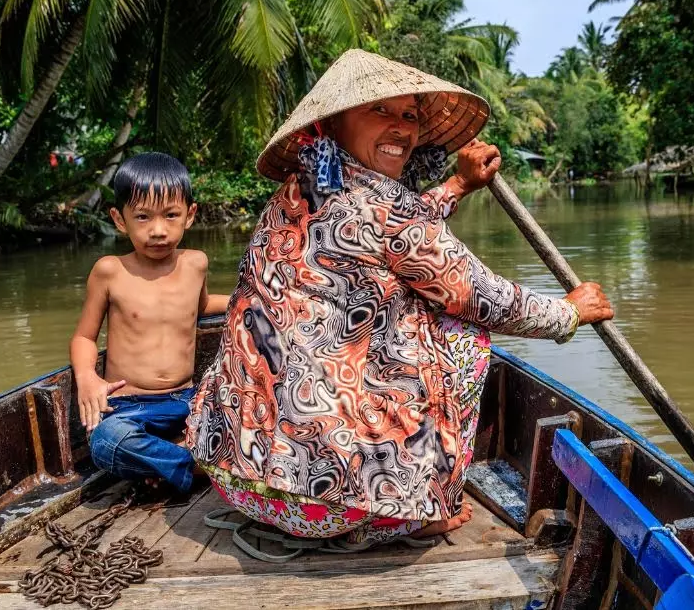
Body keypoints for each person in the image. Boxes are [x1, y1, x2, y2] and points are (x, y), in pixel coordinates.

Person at [187, 50, 613, 551]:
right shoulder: (387, 208)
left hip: (238, 477)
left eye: (409, 115)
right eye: (380, 111)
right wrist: (569, 312)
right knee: (462, 333)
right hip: (331, 506)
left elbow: (395, 229)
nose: (401, 129)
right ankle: (425, 505)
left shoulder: (302, 186)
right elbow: (482, 296)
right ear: (332, 124)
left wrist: (456, 186)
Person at [70, 152, 230, 493]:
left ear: (190, 215)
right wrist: (86, 377)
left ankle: (167, 462)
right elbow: (85, 337)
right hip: (128, 406)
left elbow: (199, 307)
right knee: (105, 442)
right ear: (119, 219)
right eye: (142, 217)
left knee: (242, 409)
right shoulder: (110, 271)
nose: (158, 231)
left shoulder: (196, 264)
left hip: (186, 399)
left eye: (171, 215)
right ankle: (195, 465)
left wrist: (246, 301)